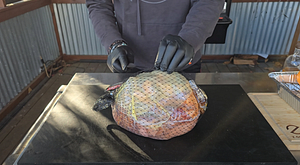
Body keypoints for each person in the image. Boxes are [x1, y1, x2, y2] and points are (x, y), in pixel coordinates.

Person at [86, 0, 224, 73]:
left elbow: (209, 2)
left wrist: (190, 38)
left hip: (181, 61)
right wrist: (112, 42)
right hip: (128, 62)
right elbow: (98, 4)